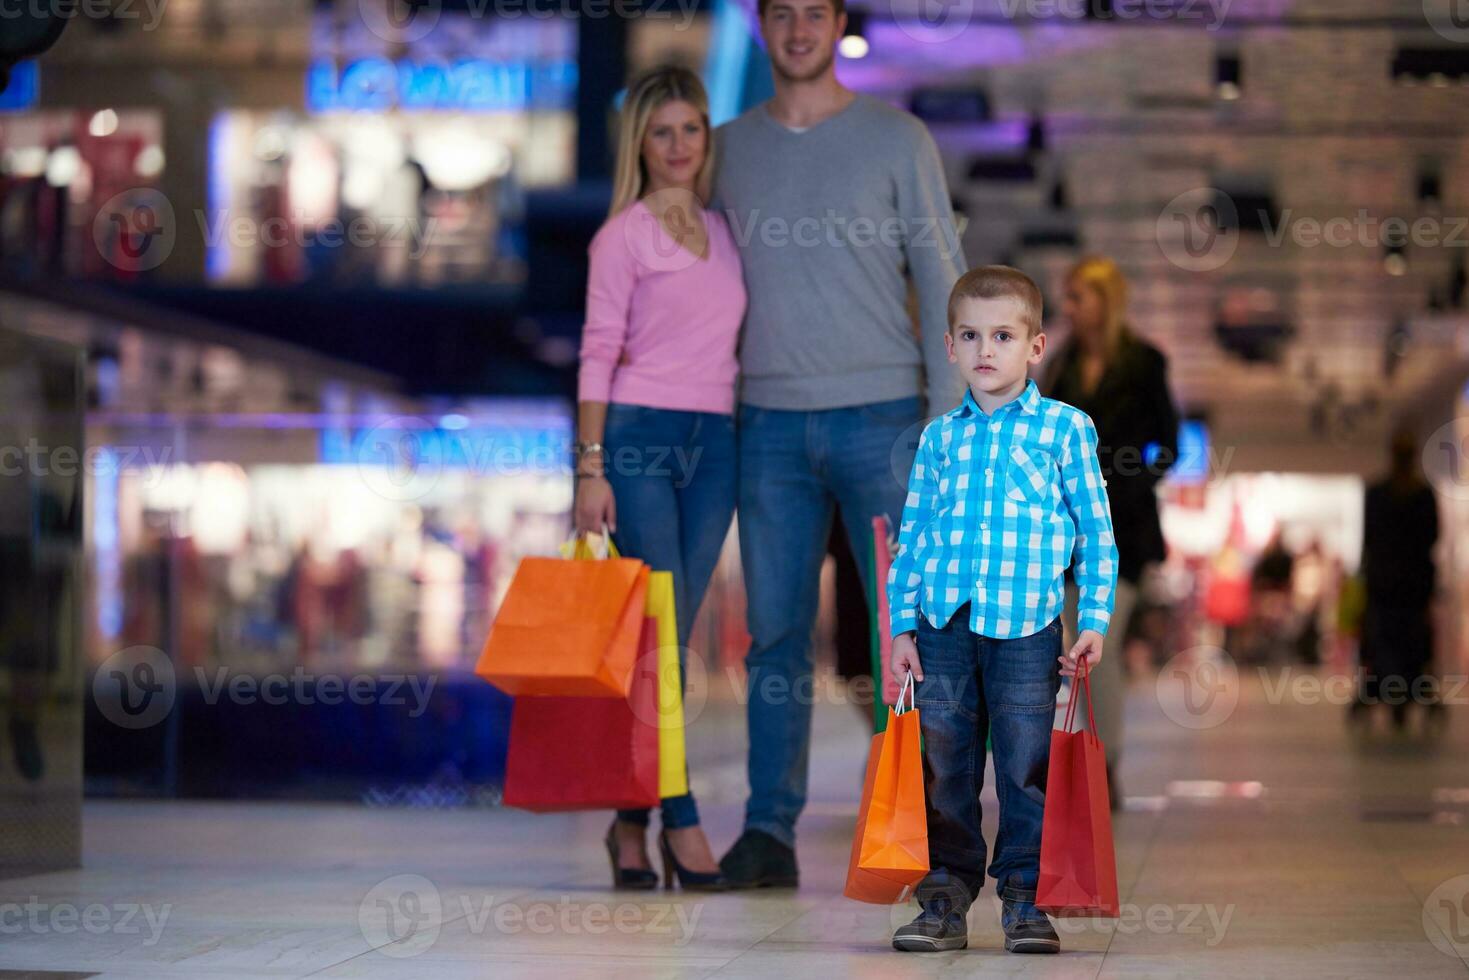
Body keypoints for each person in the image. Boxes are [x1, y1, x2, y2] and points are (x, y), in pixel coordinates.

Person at [713, 0, 965, 889]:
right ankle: (767, 832)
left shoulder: (897, 140)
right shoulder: (726, 150)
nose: (796, 27)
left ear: (838, 22)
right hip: (767, 426)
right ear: (760, 26)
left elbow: (943, 279)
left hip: (886, 420)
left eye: (812, 11)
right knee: (775, 637)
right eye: (778, 12)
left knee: (914, 633)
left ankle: (935, 827)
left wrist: (946, 430)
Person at [887, 266, 1118, 954]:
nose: (986, 350)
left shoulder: (1065, 430)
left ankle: (1023, 899)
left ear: (1035, 346)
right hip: (943, 628)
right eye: (970, 335)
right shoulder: (937, 439)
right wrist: (901, 625)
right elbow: (914, 538)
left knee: (1025, 768)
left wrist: (1096, 619)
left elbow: (1094, 532)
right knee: (943, 766)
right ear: (950, 348)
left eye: (1003, 335)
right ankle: (943, 900)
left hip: (1026, 630)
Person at [573, 66, 745, 891]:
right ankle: (678, 819)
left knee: (665, 644)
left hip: (716, 443)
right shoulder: (622, 237)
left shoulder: (725, 228)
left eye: (691, 129)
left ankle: (625, 826)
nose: (679, 146)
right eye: (662, 131)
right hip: (638, 441)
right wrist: (589, 468)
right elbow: (596, 353)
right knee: (662, 641)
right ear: (639, 142)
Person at [1042, 255, 1176, 807]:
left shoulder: (1144, 363)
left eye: (1079, 296)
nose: (1070, 308)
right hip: (1064, 533)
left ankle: (1105, 762)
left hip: (1125, 527)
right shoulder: (1059, 366)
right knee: (1071, 653)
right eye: (1068, 297)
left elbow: (1168, 442)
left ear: (1105, 300)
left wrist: (1129, 475)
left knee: (1104, 649)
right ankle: (1074, 763)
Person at [1351, 428, 1440, 732]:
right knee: (1409, 643)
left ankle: (1386, 690)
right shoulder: (1420, 496)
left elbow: (1369, 541)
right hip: (1407, 587)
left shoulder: (1380, 494)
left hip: (1389, 586)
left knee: (1386, 642)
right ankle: (1406, 690)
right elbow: (1431, 539)